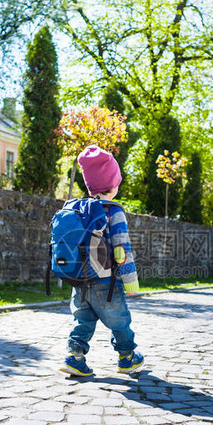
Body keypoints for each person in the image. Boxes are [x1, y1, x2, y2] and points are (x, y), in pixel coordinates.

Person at [61, 145, 144, 377]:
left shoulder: (78, 209)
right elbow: (121, 249)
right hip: (107, 283)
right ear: (113, 184)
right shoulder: (113, 211)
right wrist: (131, 281)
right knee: (120, 321)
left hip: (79, 281)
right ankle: (127, 358)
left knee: (83, 321)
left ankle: (74, 357)